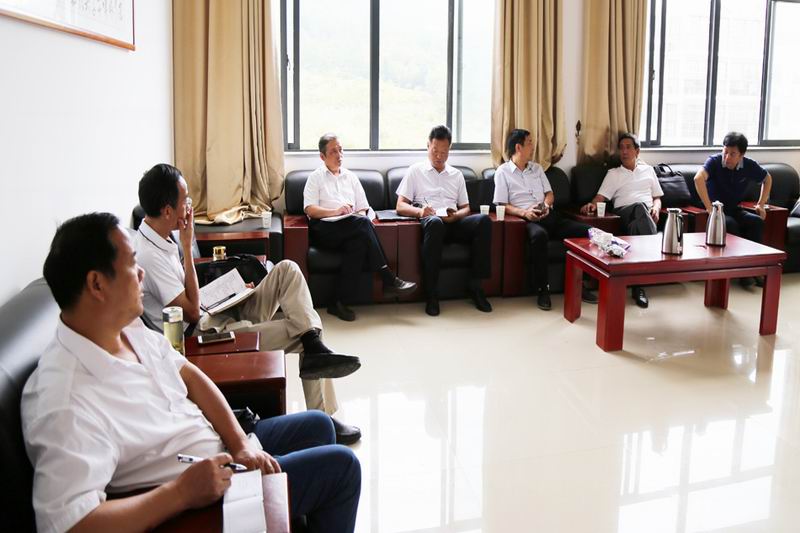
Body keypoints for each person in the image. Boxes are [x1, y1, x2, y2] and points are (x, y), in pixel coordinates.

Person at [22, 212, 361, 533]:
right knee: (342, 468)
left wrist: (240, 444)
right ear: (97, 284)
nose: (141, 274)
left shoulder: (126, 329)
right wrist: (181, 493)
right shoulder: (65, 400)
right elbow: (71, 525)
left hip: (219, 450)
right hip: (203, 496)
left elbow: (191, 377)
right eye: (132, 264)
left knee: (319, 426)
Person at [135, 164, 362, 444]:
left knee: (287, 270)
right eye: (185, 200)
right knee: (305, 331)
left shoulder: (161, 234)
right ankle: (324, 417)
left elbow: (189, 295)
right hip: (202, 334)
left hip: (212, 311)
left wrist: (228, 292)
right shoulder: (150, 256)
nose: (190, 205)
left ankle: (314, 346)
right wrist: (186, 245)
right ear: (168, 210)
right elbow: (190, 312)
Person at [304, 133, 416, 321]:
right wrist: (336, 211)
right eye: (333, 152)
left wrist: (357, 217)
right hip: (324, 229)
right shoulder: (315, 178)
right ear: (322, 156)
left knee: (358, 243)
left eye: (341, 150)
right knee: (362, 225)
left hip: (350, 227)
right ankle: (388, 279)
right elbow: (310, 209)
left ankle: (337, 302)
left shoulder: (351, 177)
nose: (339, 155)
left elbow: (363, 207)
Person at [494, 129, 598, 310]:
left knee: (586, 232)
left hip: (549, 215)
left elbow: (550, 194)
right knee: (539, 236)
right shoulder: (503, 172)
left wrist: (545, 206)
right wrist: (525, 213)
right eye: (529, 143)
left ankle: (580, 284)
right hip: (527, 220)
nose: (533, 146)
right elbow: (502, 204)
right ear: (518, 147)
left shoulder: (537, 169)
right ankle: (543, 289)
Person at [395, 125, 492, 316]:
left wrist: (456, 216)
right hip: (431, 223)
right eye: (435, 151)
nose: (439, 156)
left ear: (450, 149)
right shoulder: (415, 171)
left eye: (444, 152)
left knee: (483, 221)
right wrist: (421, 211)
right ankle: (431, 294)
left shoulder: (456, 175)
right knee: (435, 223)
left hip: (453, 222)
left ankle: (476, 287)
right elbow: (400, 206)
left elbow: (466, 208)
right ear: (428, 146)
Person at [580, 133, 663, 308]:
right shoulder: (614, 174)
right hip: (623, 213)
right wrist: (591, 205)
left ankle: (637, 287)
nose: (624, 151)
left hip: (646, 216)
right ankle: (654, 247)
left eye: (628, 147)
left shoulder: (648, 171)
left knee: (636, 225)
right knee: (639, 207)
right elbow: (600, 198)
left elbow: (657, 197)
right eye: (621, 148)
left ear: (637, 151)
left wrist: (656, 208)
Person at [694, 131, 772, 288]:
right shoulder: (714, 161)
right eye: (725, 152)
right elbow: (698, 178)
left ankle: (754, 269)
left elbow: (767, 178)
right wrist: (709, 208)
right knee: (731, 224)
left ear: (741, 155)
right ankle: (741, 274)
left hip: (734, 208)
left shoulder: (749, 165)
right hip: (716, 211)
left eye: (732, 154)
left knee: (756, 221)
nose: (727, 157)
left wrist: (761, 204)